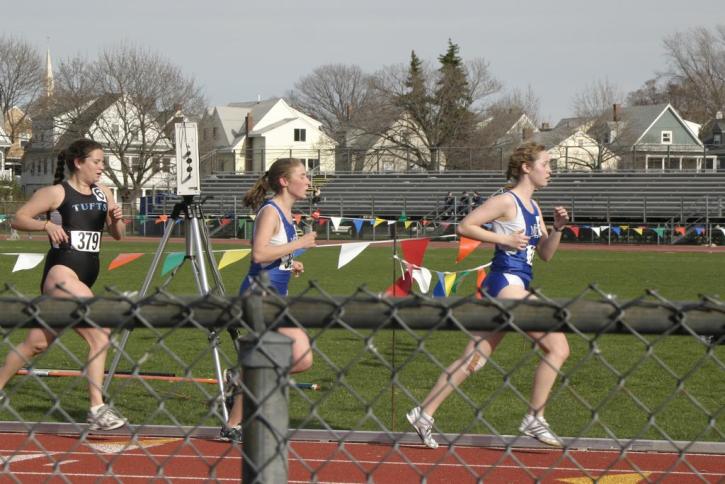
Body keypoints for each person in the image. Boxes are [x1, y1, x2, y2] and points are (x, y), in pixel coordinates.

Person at [407, 142, 570, 448]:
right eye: (546, 164)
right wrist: (503, 238)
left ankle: (424, 412)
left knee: (474, 359)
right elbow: (465, 226)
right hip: (504, 284)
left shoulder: (535, 208)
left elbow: (546, 254)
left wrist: (559, 228)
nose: (550, 171)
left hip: (516, 285)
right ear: (526, 167)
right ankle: (535, 417)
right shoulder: (506, 201)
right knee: (558, 346)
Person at [0, 138, 127, 431]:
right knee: (100, 331)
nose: (101, 167)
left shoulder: (104, 193)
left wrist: (117, 220)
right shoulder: (56, 193)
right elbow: (19, 219)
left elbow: (118, 234)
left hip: (84, 276)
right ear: (78, 162)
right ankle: (97, 408)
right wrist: (46, 225)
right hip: (61, 274)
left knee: (36, 344)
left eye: (103, 162)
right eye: (97, 161)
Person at [221, 158, 317, 443]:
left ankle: (239, 390)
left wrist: (290, 262)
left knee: (295, 358)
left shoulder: (287, 213)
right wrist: (299, 245)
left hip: (277, 296)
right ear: (285, 181)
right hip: (258, 295)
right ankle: (236, 414)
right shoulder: (270, 211)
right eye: (303, 175)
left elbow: (275, 254)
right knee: (300, 355)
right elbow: (259, 254)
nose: (308, 181)